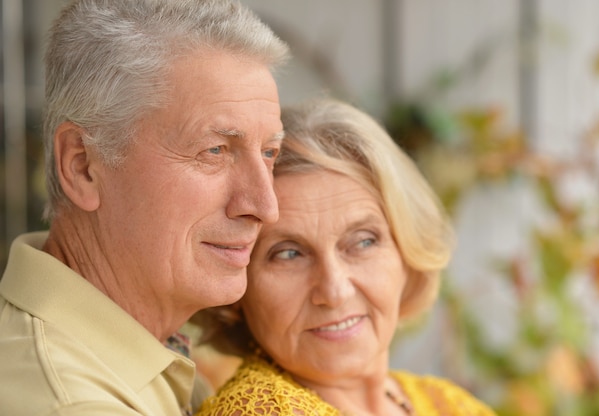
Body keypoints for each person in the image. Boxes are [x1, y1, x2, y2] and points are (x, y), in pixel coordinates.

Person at [0, 0, 289, 415]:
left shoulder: (142, 352)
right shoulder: (75, 403)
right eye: (215, 150)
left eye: (269, 152)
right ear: (82, 165)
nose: (265, 206)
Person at [192, 98, 497, 415]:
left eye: (363, 242)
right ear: (238, 287)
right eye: (289, 254)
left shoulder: (447, 404)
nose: (334, 291)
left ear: (407, 252)